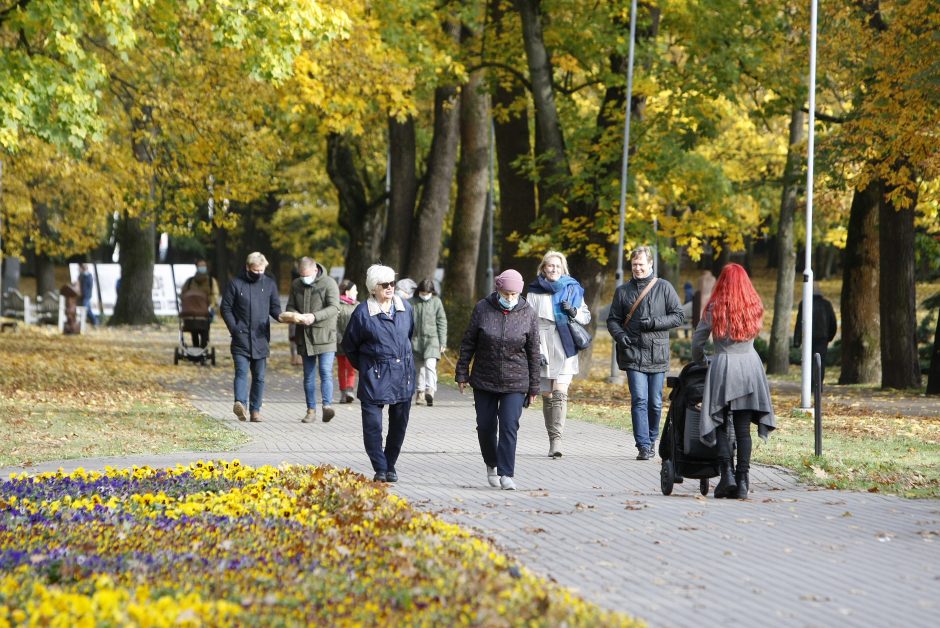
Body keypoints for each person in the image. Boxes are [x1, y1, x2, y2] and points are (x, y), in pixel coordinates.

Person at [692, 263, 776, 499]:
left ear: (722, 282)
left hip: (723, 366)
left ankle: (726, 473)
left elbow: (698, 340)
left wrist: (701, 361)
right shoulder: (754, 305)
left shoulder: (714, 307)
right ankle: (743, 480)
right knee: (742, 428)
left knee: (718, 422)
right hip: (750, 366)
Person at [456, 269, 540, 490]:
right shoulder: (483, 308)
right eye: (506, 293)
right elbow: (468, 342)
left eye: (514, 294)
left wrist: (534, 387)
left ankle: (506, 473)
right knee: (485, 426)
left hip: (516, 381)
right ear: (498, 289)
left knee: (509, 425)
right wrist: (462, 372)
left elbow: (533, 351)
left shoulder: (528, 313)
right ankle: (491, 463)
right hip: (485, 378)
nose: (510, 298)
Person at [606, 245, 684, 461]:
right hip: (632, 352)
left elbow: (678, 316)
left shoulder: (664, 288)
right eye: (634, 265)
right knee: (639, 399)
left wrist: (654, 323)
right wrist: (620, 336)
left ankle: (652, 438)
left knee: (655, 401)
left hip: (657, 353)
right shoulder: (623, 291)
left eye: (641, 264)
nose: (637, 268)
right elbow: (612, 319)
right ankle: (643, 445)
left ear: (650, 264)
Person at [341, 264, 416, 483]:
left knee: (399, 425)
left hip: (403, 375)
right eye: (384, 285)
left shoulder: (406, 309)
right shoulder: (363, 312)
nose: (390, 288)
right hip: (375, 376)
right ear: (373, 288)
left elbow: (408, 335)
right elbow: (350, 345)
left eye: (392, 283)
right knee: (373, 426)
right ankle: (380, 467)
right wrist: (367, 366)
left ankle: (390, 464)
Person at [525, 250, 591, 458]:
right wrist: (535, 349)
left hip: (565, 343)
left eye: (557, 266)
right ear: (543, 268)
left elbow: (586, 317)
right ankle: (551, 436)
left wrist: (574, 311)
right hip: (542, 342)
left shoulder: (572, 288)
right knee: (547, 394)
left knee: (560, 392)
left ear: (563, 269)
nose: (553, 269)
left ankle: (557, 440)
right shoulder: (534, 291)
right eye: (549, 266)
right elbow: (528, 323)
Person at [220, 252, 284, 423]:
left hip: (261, 338)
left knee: (259, 377)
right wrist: (234, 327)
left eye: (261, 270)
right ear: (248, 268)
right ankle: (240, 404)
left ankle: (255, 410)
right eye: (255, 270)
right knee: (241, 372)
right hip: (240, 338)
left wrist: (282, 317)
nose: (259, 274)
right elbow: (225, 307)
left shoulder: (269, 284)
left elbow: (275, 308)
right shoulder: (235, 284)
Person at [285, 257, 340, 424]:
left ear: (315, 270)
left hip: (325, 336)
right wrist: (295, 316)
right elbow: (290, 306)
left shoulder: (329, 283)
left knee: (325, 372)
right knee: (308, 376)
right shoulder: (296, 285)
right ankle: (310, 410)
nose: (304, 278)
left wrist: (314, 316)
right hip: (305, 337)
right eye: (301, 275)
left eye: (307, 275)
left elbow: (334, 307)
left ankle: (327, 406)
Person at [410, 278, 448, 407]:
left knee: (430, 365)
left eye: (427, 293)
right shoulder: (412, 302)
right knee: (419, 368)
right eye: (423, 293)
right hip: (415, 340)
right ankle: (420, 392)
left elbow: (442, 322)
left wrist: (443, 342)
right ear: (419, 292)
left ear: (432, 292)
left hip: (432, 340)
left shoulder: (436, 302)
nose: (425, 295)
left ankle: (430, 390)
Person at [794, 283, 838, 383]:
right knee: (820, 362)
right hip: (822, 338)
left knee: (808, 361)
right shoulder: (826, 304)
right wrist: (829, 337)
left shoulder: (804, 303)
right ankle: (818, 384)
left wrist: (797, 340)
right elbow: (833, 323)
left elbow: (799, 322)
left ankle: (809, 383)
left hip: (808, 338)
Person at [181, 259, 220, 348]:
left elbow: (215, 294)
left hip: (206, 309)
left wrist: (212, 305)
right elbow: (184, 294)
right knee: (193, 329)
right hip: (191, 310)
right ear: (197, 267)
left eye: (203, 266)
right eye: (200, 266)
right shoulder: (190, 281)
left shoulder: (211, 281)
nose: (202, 268)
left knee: (204, 330)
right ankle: (195, 347)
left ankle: (203, 347)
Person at [336, 279, 359, 404]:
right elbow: (334, 323)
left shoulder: (357, 305)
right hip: (340, 342)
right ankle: (343, 392)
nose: (357, 292)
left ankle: (350, 391)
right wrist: (339, 338)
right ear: (347, 291)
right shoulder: (337, 304)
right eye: (354, 290)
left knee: (351, 367)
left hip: (353, 342)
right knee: (341, 367)